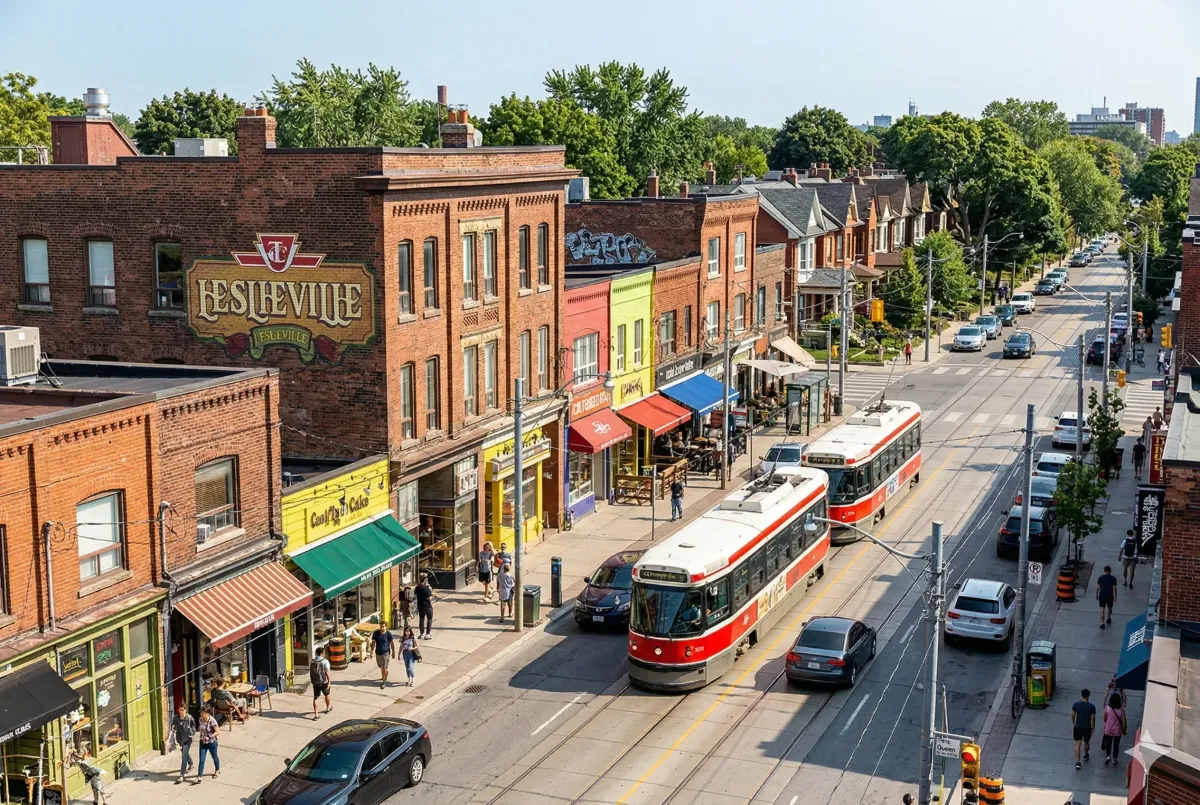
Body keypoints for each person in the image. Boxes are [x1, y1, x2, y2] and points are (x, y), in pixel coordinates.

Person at [167, 703, 197, 784]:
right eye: (179, 710)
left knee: (184, 757)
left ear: (185, 710)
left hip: (188, 740)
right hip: (180, 740)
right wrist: (174, 728)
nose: (180, 712)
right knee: (185, 753)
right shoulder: (176, 718)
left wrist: (192, 733)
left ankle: (181, 775)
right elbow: (173, 726)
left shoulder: (189, 718)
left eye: (182, 710)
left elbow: (194, 727)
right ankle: (191, 764)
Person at [1071, 689, 1096, 769]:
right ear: (1088, 696)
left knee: (1077, 744)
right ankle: (1085, 754)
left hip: (1078, 727)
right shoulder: (1091, 706)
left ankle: (1078, 762)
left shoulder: (1076, 704)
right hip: (1087, 727)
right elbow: (1092, 719)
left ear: (1081, 695)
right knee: (1086, 742)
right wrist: (1092, 728)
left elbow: (1072, 715)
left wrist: (1074, 723)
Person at [195, 705, 220, 782]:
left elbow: (217, 732)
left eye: (203, 713)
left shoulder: (212, 721)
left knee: (214, 756)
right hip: (203, 742)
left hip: (211, 742)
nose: (201, 715)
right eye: (201, 713)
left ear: (207, 713)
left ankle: (217, 770)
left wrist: (209, 737)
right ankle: (199, 776)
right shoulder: (200, 720)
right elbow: (200, 729)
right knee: (201, 759)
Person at [1102, 692, 1127, 766]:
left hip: (1108, 729)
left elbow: (1104, 718)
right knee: (1116, 744)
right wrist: (1124, 729)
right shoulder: (1121, 710)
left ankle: (1108, 756)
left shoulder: (1107, 708)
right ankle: (1114, 759)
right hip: (1117, 731)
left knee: (1108, 744)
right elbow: (1124, 721)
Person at [371, 621, 396, 688]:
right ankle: (385, 674)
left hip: (386, 653)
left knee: (384, 668)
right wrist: (371, 651)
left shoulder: (388, 634)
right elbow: (373, 643)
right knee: (381, 667)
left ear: (386, 627)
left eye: (383, 626)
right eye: (381, 626)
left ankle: (384, 682)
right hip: (378, 653)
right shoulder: (376, 633)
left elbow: (392, 644)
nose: (382, 628)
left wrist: (393, 652)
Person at [310, 646, 332, 719]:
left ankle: (316, 715)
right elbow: (327, 673)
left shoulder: (312, 661)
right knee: (327, 694)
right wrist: (329, 682)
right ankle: (328, 707)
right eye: (324, 653)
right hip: (323, 682)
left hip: (315, 682)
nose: (325, 654)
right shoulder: (325, 661)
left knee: (316, 698)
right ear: (322, 653)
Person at [414, 572, 434, 639]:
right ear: (425, 579)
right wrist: (433, 595)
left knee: (421, 619)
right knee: (429, 618)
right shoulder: (427, 588)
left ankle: (421, 634)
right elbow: (429, 598)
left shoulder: (417, 587)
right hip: (427, 606)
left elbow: (415, 596)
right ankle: (428, 634)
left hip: (420, 605)